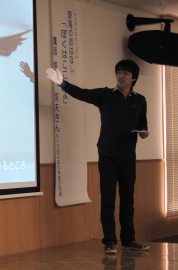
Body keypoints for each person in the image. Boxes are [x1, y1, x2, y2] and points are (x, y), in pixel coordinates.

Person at [46, 59, 150, 254]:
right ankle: (110, 241)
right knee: (108, 199)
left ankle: (129, 239)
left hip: (128, 156)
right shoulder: (105, 95)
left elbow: (143, 124)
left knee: (128, 199)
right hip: (107, 155)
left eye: (125, 73)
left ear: (134, 78)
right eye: (119, 72)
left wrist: (145, 132)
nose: (121, 76)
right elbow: (83, 94)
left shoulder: (140, 100)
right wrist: (63, 83)